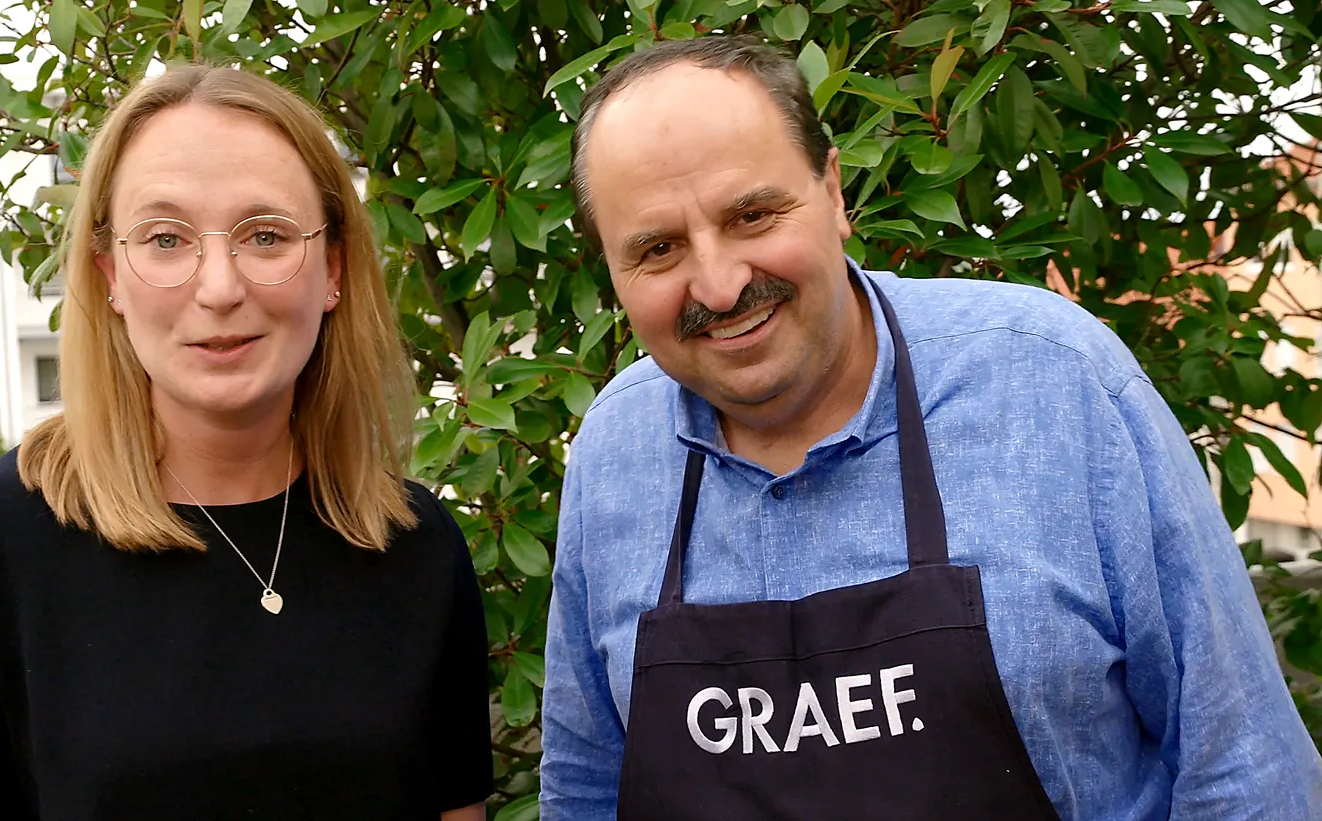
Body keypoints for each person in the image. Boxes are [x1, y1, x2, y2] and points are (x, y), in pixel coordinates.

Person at [538, 34, 1322, 820]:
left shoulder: (1054, 382)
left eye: (751, 214)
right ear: (612, 268)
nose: (718, 281)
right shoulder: (613, 452)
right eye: (658, 248)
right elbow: (583, 793)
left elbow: (1246, 771)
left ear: (835, 191)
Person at [0, 65, 491, 821]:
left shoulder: (416, 546)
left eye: (266, 235)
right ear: (110, 279)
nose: (220, 285)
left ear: (332, 268)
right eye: (166, 238)